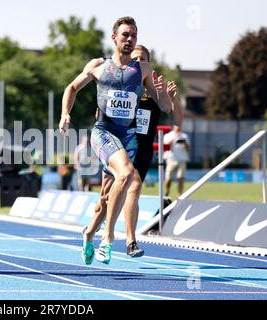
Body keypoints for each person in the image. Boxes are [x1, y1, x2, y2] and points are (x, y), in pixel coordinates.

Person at [59, 16, 173, 265]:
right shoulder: (99, 65)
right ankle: (108, 239)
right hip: (104, 132)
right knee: (127, 175)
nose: (130, 39)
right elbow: (71, 88)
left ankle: (89, 233)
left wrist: (164, 96)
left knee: (105, 198)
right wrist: (65, 114)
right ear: (114, 37)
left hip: (128, 138)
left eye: (134, 35)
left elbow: (164, 106)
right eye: (125, 35)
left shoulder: (142, 70)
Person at [85, 45, 184, 260]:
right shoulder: (121, 87)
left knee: (134, 183)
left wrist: (172, 97)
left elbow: (176, 120)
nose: (136, 64)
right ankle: (90, 232)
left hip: (140, 151)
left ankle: (130, 241)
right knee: (105, 200)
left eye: (141, 60)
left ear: (147, 65)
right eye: (134, 59)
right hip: (116, 145)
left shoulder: (155, 92)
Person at [164, 125, 190, 196]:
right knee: (168, 178)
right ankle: (167, 191)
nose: (178, 127)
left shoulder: (184, 136)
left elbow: (188, 149)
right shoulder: (168, 135)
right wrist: (172, 141)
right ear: (173, 126)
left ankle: (180, 194)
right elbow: (164, 147)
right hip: (171, 159)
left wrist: (184, 143)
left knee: (180, 178)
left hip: (182, 159)